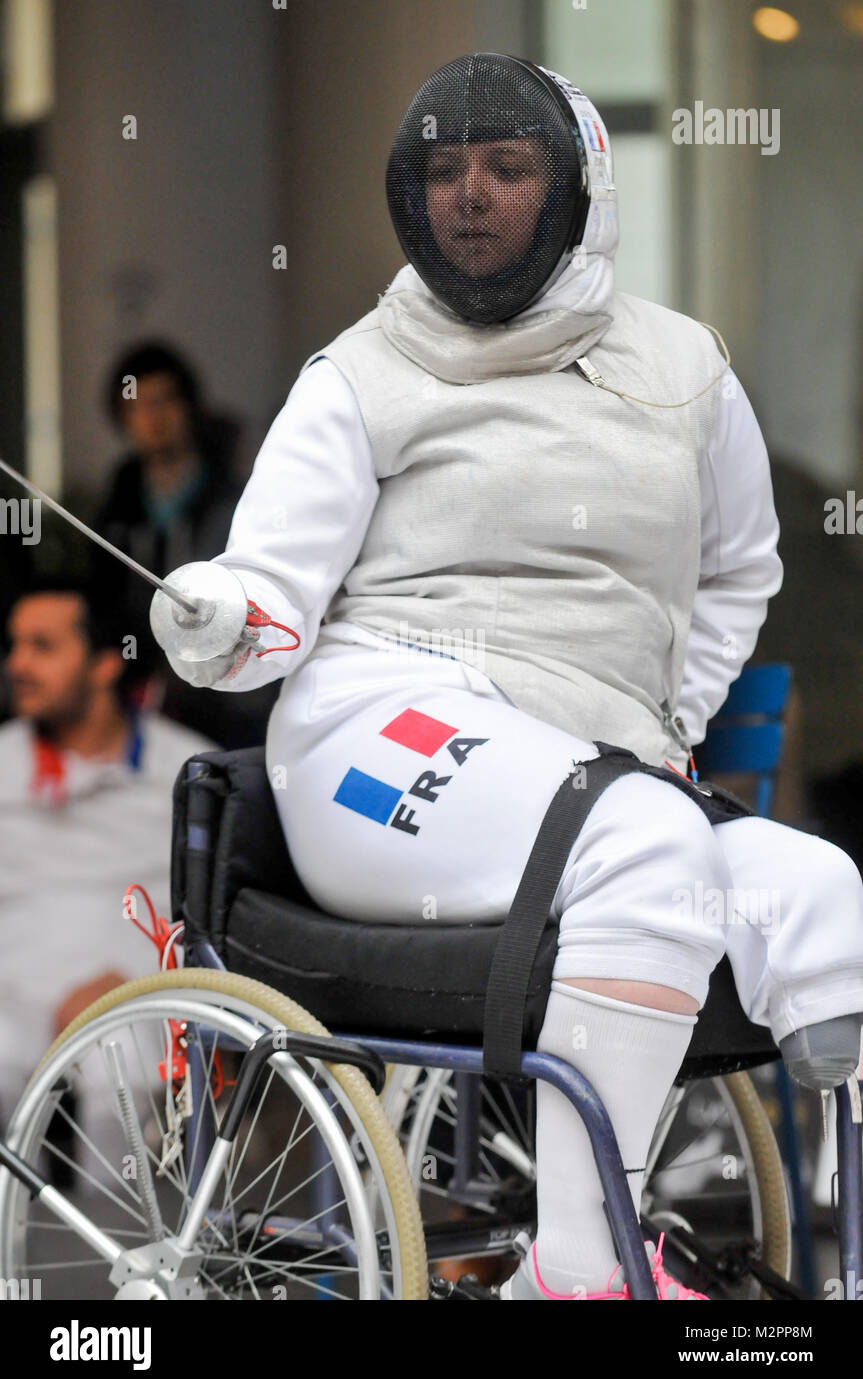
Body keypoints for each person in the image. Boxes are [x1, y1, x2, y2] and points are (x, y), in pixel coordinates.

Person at [149, 55, 863, 1300]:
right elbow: (268, 597)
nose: (468, 196)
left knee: (820, 890)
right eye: (441, 171)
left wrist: (671, 721)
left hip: (589, 772)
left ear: (578, 187)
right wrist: (218, 617)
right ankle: (576, 1277)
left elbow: (740, 567)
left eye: (506, 167)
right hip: (379, 737)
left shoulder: (683, 368)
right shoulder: (358, 375)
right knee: (641, 843)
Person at [0, 578, 209, 1126]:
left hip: (136, 997)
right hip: (10, 995)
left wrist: (135, 983)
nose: (17, 664)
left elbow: (212, 924)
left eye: (42, 647)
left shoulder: (190, 773)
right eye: (14, 645)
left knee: (125, 1067)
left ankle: (118, 1215)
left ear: (105, 663)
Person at [95, 341, 276, 748]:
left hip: (223, 697)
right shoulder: (118, 506)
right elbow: (105, 601)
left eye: (164, 401)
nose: (153, 417)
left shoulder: (234, 496)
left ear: (189, 407)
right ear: (123, 418)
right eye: (138, 405)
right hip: (138, 700)